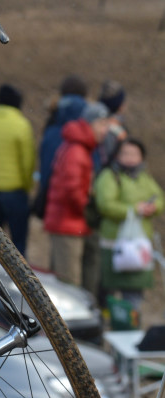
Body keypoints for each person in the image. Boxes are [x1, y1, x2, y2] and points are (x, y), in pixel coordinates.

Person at [42, 101, 111, 286]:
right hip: (68, 224)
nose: (106, 130)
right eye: (103, 124)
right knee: (68, 283)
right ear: (91, 123)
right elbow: (72, 190)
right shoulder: (77, 150)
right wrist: (88, 210)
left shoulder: (80, 147)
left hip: (70, 222)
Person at [94, 138, 164, 318]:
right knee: (109, 289)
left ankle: (132, 324)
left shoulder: (144, 177)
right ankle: (108, 323)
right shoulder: (109, 176)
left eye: (134, 154)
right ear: (117, 155)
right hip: (114, 242)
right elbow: (105, 204)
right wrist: (134, 209)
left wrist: (153, 207)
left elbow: (159, 198)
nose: (130, 158)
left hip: (139, 245)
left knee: (134, 290)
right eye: (125, 153)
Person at [0, 84, 36, 257]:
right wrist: (27, 185)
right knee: (18, 245)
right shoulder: (21, 125)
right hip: (15, 191)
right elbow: (28, 162)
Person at [33, 74, 87, 219]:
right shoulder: (89, 125)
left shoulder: (51, 124)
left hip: (52, 195)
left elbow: (45, 163)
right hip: (79, 199)